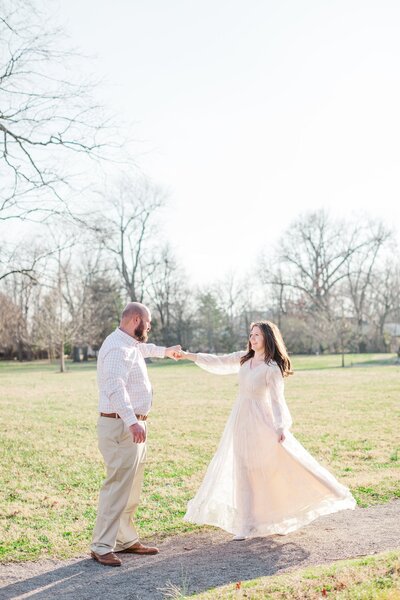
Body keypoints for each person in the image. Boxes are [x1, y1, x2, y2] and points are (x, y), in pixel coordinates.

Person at [180, 321, 356, 540]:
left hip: (262, 422)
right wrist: (188, 355)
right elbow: (218, 361)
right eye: (251, 335)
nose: (252, 339)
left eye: (257, 336)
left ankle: (280, 516)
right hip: (241, 420)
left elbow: (277, 400)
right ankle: (246, 524)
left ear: (267, 339)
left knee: (270, 468)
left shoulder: (271, 368)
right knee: (243, 469)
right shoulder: (244, 358)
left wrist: (281, 426)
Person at [91, 302, 181, 566]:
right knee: (117, 487)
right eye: (148, 323)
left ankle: (124, 539)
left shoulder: (129, 343)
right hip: (121, 426)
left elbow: (145, 348)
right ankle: (101, 545)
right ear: (135, 321)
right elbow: (115, 388)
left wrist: (166, 352)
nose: (150, 327)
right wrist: (132, 421)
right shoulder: (117, 348)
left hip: (132, 425)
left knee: (131, 488)